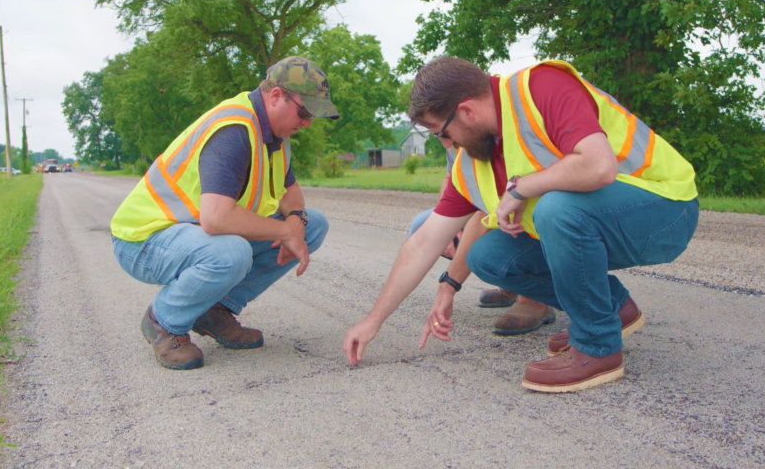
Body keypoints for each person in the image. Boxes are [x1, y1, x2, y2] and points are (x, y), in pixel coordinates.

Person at [343, 57, 699, 393]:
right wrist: (373, 321)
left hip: (666, 210)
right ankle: (610, 310)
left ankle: (598, 348)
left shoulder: (540, 88)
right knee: (488, 255)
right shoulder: (472, 161)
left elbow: (598, 166)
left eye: (442, 132)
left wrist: (523, 187)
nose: (446, 144)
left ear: (465, 111)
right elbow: (422, 244)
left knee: (556, 207)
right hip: (605, 225)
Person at [110, 57, 337, 370]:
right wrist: (285, 232)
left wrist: (296, 223)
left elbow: (291, 192)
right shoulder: (234, 130)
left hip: (193, 237)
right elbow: (216, 219)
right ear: (275, 97)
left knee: (314, 225)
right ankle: (163, 321)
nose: (308, 122)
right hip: (143, 240)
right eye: (305, 111)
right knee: (232, 252)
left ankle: (214, 310)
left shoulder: (276, 136)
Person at [408, 141, 555, 335]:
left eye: (441, 131)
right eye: (436, 134)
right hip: (485, 207)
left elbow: (483, 213)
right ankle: (510, 283)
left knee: (483, 254)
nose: (444, 142)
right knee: (423, 226)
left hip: (520, 206)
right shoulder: (452, 136)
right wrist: (449, 223)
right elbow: (450, 178)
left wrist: (449, 284)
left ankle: (533, 298)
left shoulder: (486, 134)